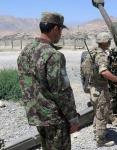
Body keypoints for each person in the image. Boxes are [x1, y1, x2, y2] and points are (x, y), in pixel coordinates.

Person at [17, 12, 80, 150]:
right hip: (55, 118)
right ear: (56, 28)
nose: (61, 34)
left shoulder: (26, 51)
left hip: (37, 115)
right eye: (61, 30)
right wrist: (72, 118)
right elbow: (61, 91)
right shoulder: (53, 55)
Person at [88, 32, 117, 147]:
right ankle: (101, 140)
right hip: (100, 89)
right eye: (109, 41)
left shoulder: (93, 51)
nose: (110, 43)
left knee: (97, 112)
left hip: (93, 87)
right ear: (106, 42)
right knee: (103, 114)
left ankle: (97, 132)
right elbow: (103, 72)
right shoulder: (101, 55)